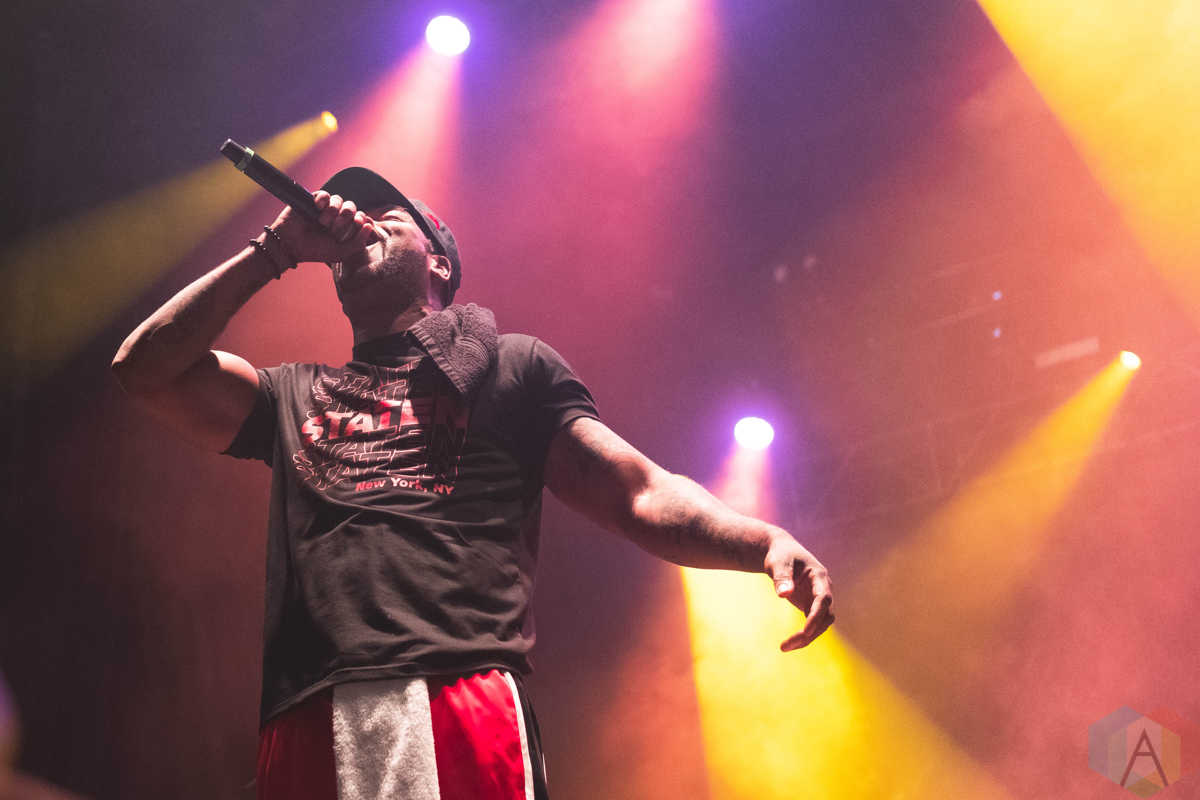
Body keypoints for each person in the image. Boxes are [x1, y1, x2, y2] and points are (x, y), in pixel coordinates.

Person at [111, 167, 834, 800]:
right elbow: (144, 370)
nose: (362, 221)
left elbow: (635, 491)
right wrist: (272, 251)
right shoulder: (291, 394)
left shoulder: (508, 366)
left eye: (391, 216)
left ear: (439, 264)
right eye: (357, 215)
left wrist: (761, 541)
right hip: (305, 712)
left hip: (449, 689)